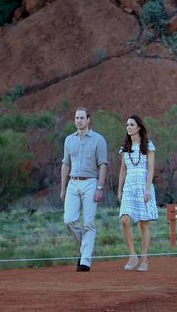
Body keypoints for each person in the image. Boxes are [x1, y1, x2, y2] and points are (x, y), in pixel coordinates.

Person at [61, 107, 108, 272]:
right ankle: (85, 249)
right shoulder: (69, 140)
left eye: (81, 118)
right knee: (69, 220)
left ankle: (85, 261)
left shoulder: (98, 140)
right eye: (76, 118)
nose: (78, 121)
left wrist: (99, 187)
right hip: (73, 183)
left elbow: (102, 164)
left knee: (88, 223)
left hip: (91, 183)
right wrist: (63, 188)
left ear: (88, 119)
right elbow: (65, 164)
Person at [118, 115, 158, 272]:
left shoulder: (148, 145)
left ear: (139, 127)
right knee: (125, 220)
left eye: (131, 124)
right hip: (129, 186)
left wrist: (147, 189)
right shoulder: (125, 148)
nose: (128, 127)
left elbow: (151, 168)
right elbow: (123, 169)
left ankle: (144, 258)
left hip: (143, 185)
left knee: (143, 223)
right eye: (127, 124)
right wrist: (120, 189)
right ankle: (132, 255)